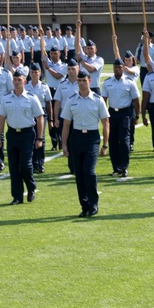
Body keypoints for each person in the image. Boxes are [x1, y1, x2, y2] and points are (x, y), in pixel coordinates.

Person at [61, 71, 110, 217]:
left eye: (84, 80)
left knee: (89, 171)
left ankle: (93, 204)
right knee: (79, 174)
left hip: (92, 138)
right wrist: (64, 144)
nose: (82, 83)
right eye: (79, 80)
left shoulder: (97, 100)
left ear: (89, 81)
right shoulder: (71, 100)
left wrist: (105, 144)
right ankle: (84, 205)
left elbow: (105, 122)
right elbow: (66, 124)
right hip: (76, 138)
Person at [0, 71, 46, 205]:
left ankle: (31, 187)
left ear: (24, 82)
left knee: (25, 164)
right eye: (15, 80)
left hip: (27, 134)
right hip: (12, 134)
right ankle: (17, 196)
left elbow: (40, 118)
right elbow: (1, 118)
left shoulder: (31, 98)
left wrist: (39, 138)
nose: (17, 82)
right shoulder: (6, 98)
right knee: (13, 166)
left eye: (19, 80)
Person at [101, 58, 140, 178]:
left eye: (119, 67)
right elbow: (103, 100)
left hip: (125, 113)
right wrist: (103, 116)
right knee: (112, 140)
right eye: (115, 68)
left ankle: (124, 167)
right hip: (112, 113)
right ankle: (116, 168)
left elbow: (136, 99)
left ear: (123, 68)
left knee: (123, 140)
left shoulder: (129, 81)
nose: (117, 70)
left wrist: (137, 115)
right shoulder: (107, 82)